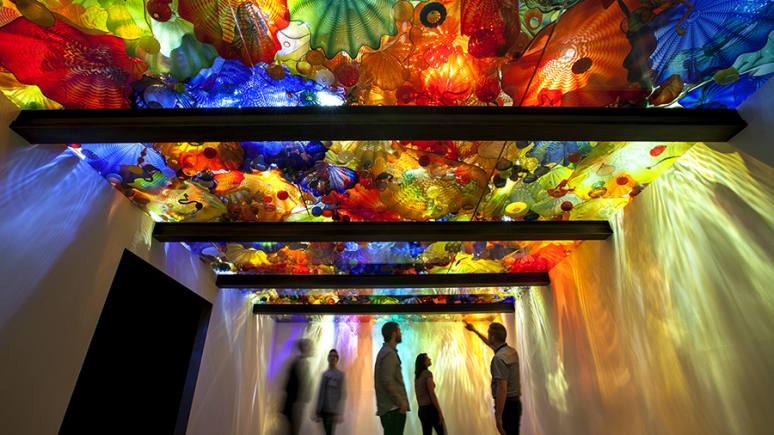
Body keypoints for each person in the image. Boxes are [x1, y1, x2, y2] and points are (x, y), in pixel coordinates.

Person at [464, 321, 521, 435]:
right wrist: (474, 331)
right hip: (515, 405)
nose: (488, 336)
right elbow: (490, 344)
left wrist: (499, 416)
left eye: (488, 334)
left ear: (493, 338)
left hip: (507, 407)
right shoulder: (511, 352)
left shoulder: (499, 358)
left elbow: (502, 389)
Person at [374, 321, 410, 435]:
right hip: (393, 410)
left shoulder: (386, 352)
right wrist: (401, 403)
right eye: (399, 331)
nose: (401, 333)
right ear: (394, 334)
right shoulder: (389, 353)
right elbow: (387, 381)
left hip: (391, 410)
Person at [282, 338, 313, 435]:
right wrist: (300, 401)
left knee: (294, 430)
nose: (312, 349)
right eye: (310, 347)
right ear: (305, 348)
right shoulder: (301, 363)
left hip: (296, 403)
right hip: (296, 404)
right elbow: (296, 385)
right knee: (294, 430)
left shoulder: (300, 362)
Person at [314, 349, 346, 435]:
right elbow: (320, 393)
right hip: (323, 409)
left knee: (329, 432)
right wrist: (316, 410)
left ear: (337, 359)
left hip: (332, 410)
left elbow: (342, 394)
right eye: (330, 356)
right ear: (328, 358)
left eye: (334, 356)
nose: (332, 358)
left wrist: (339, 412)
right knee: (327, 431)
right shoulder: (324, 374)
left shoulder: (340, 375)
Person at [414, 353, 444, 435]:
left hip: (421, 410)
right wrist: (439, 412)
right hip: (430, 409)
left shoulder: (417, 377)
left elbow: (417, 395)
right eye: (427, 358)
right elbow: (432, 394)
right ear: (424, 362)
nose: (430, 359)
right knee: (441, 432)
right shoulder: (427, 374)